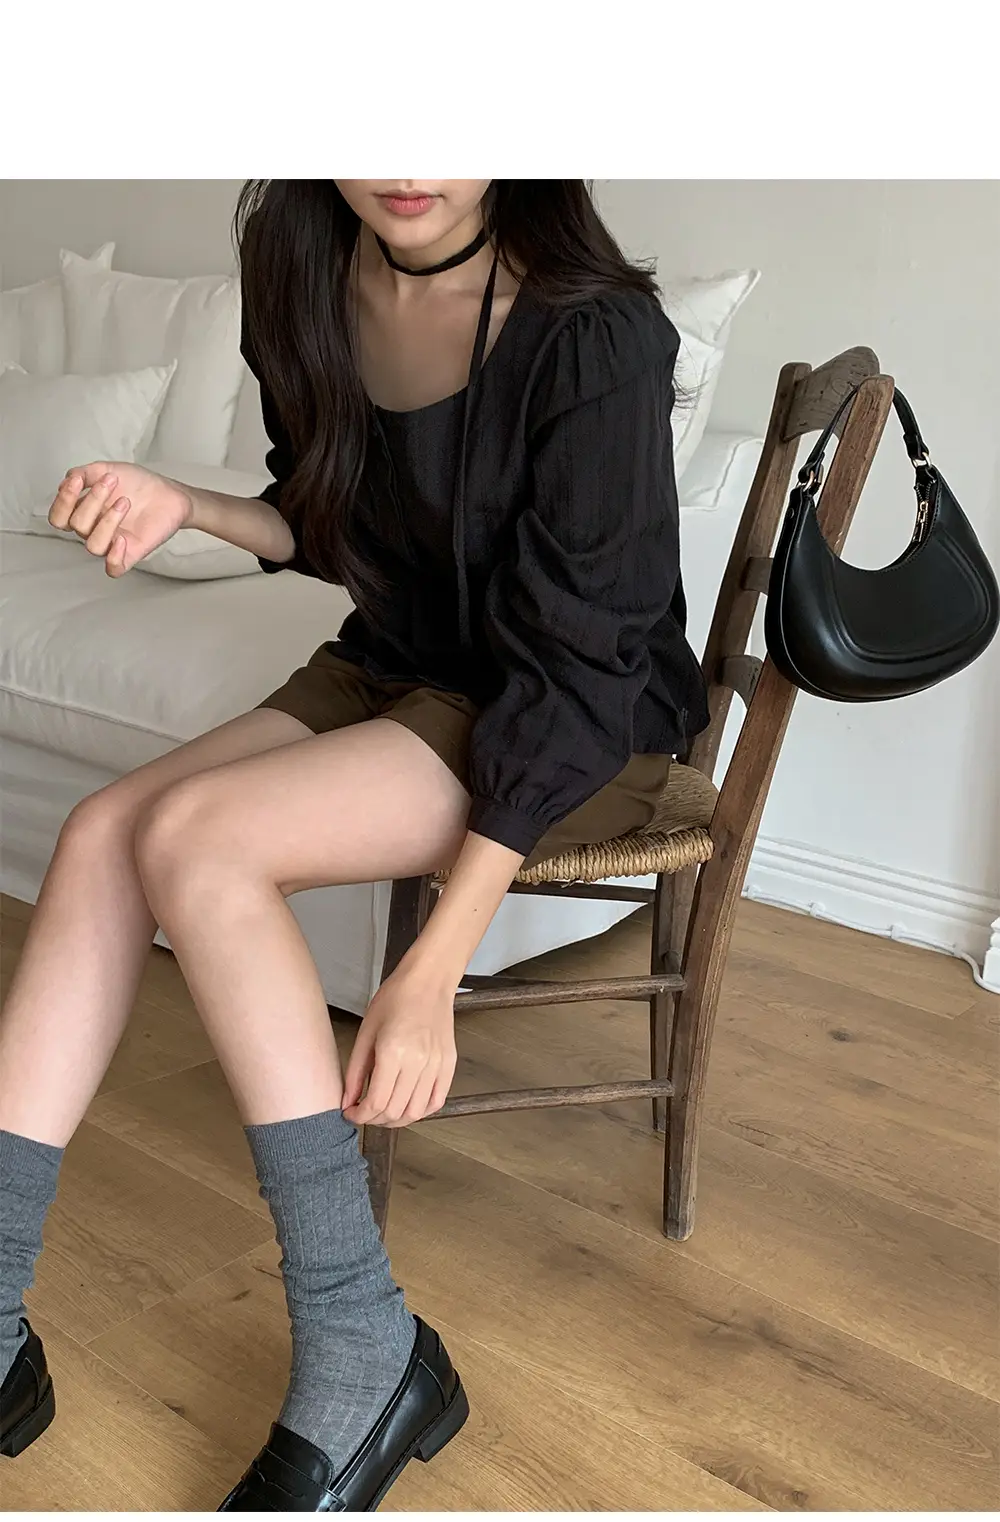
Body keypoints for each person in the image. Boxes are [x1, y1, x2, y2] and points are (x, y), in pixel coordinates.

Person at [0, 179, 709, 1508]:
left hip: (579, 725)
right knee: (103, 834)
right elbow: (329, 520)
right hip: (397, 665)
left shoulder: (595, 333)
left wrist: (435, 970)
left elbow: (577, 674)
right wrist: (187, 504)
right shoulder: (307, 271)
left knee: (199, 843)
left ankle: (361, 1343)